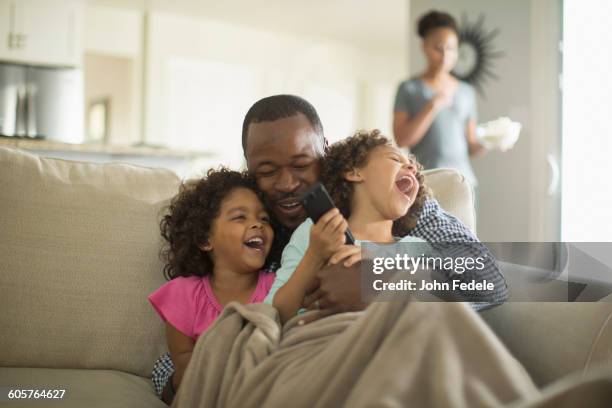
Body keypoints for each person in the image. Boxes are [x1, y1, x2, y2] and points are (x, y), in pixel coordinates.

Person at [243, 94, 506, 320]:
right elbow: (272, 314)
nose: (287, 183)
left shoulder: (411, 217)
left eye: (301, 165)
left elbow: (485, 280)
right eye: (266, 171)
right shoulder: (245, 218)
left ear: (326, 151)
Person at [148, 168, 276, 403]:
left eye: (264, 218)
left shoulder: (277, 288)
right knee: (166, 366)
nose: (257, 224)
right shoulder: (184, 293)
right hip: (200, 372)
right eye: (240, 217)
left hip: (256, 373)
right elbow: (184, 358)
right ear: (205, 239)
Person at [393, 10, 487, 191]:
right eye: (438, 48)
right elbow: (402, 140)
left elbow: (471, 145)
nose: (445, 56)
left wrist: (489, 142)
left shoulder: (466, 92)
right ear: (424, 47)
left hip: (464, 183)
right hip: (426, 184)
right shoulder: (408, 88)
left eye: (451, 49)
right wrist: (432, 105)